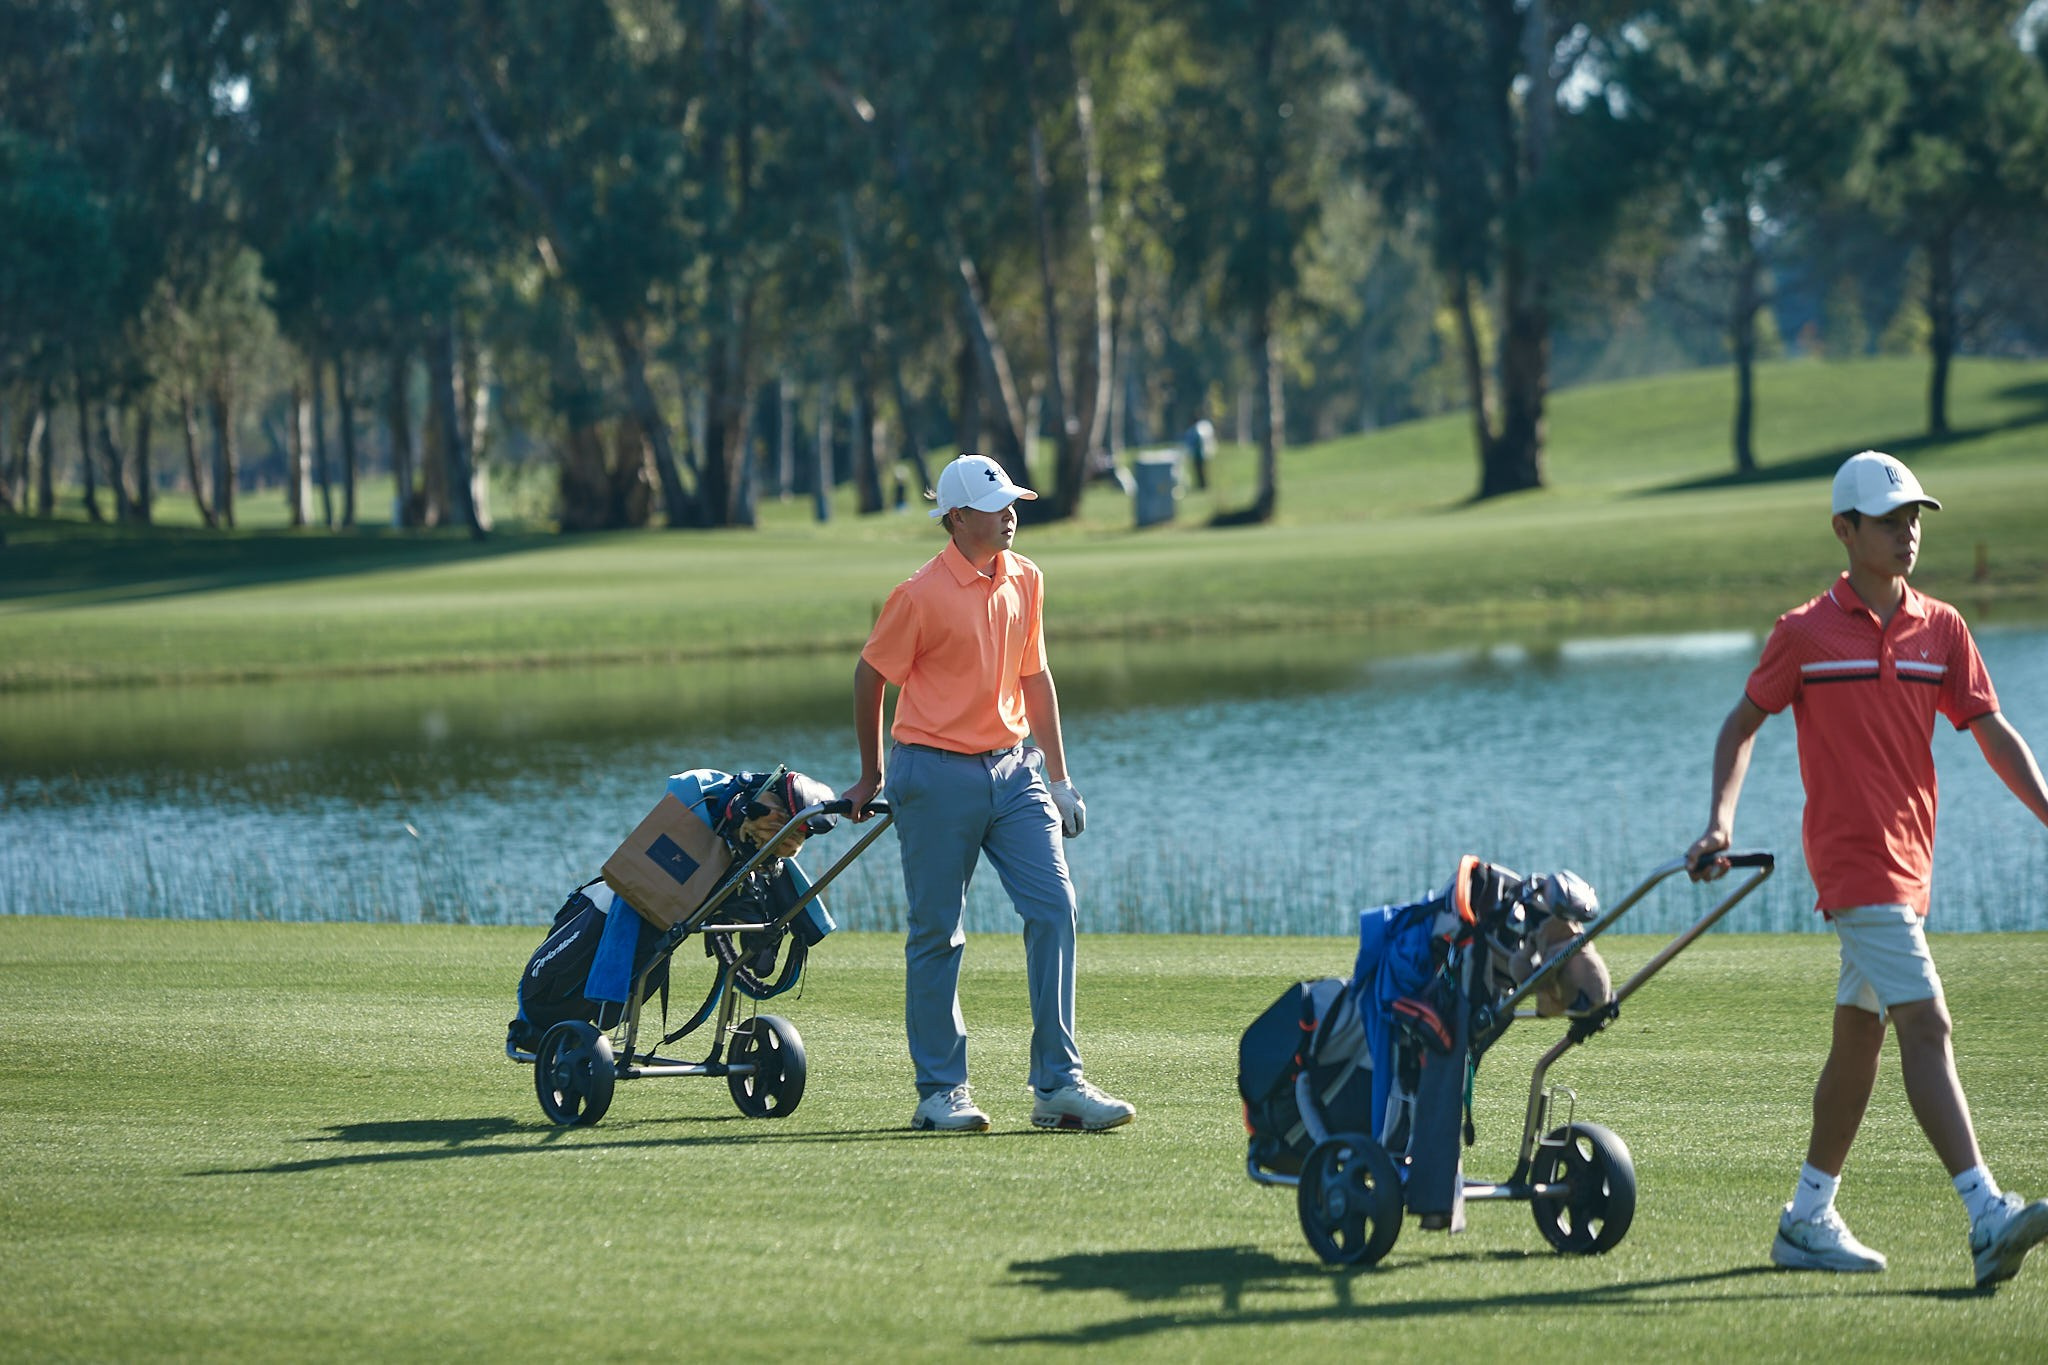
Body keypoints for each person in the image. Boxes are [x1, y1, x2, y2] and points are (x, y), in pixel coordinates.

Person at [1686, 450, 2048, 1288]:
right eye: (1890, 521)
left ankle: (1808, 1215)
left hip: (1911, 866)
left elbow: (1992, 731)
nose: (1908, 533)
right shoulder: (1804, 632)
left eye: (1914, 518)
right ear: (1845, 530)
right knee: (1930, 1025)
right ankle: (1986, 1211)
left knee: (1860, 1042)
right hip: (1857, 867)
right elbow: (1742, 724)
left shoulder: (1943, 628)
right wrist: (1719, 819)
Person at [841, 453, 1135, 1134]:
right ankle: (941, 1090)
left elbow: (1034, 677)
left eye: (1012, 504)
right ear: (958, 517)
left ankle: (1058, 1084)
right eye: (997, 506)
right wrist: (870, 772)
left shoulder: (1026, 578)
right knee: (938, 931)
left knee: (1055, 903)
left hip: (1013, 770)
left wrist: (1059, 778)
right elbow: (869, 676)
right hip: (933, 771)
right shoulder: (917, 594)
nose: (1011, 515)